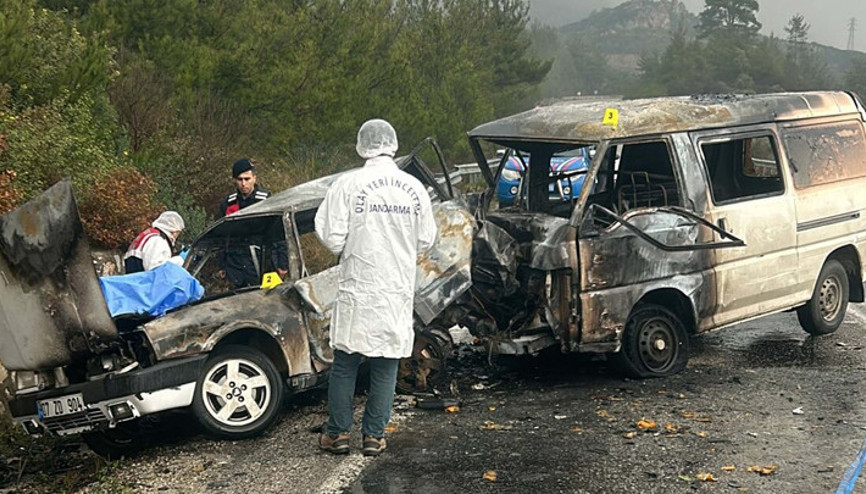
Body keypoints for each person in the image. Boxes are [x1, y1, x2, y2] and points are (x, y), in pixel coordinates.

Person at [315, 119, 437, 456]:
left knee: (345, 363)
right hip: (394, 289)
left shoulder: (347, 184)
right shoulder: (413, 188)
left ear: (361, 146)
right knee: (386, 363)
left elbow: (330, 237)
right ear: (393, 144)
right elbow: (426, 239)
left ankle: (337, 434)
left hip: (359, 287)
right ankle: (374, 436)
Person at [217, 158, 283, 287]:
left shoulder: (266, 201)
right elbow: (221, 236)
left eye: (247, 179)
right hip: (235, 262)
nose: (243, 184)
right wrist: (222, 264)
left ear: (254, 178)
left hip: (262, 260)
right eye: (240, 179)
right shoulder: (228, 204)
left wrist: (282, 263)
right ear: (234, 181)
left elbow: (279, 233)